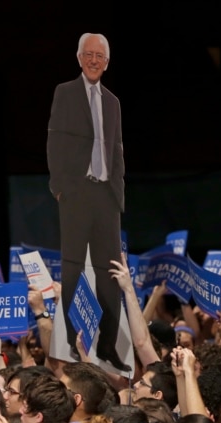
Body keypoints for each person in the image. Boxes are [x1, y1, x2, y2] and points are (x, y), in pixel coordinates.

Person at [46, 32, 128, 372]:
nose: (94, 60)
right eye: (89, 54)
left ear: (107, 63)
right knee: (73, 267)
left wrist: (118, 191)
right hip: (77, 193)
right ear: (79, 58)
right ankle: (72, 341)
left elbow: (117, 149)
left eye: (100, 56)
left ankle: (108, 346)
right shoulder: (65, 92)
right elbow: (54, 142)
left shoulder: (113, 101)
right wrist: (61, 188)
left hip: (106, 195)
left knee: (110, 273)